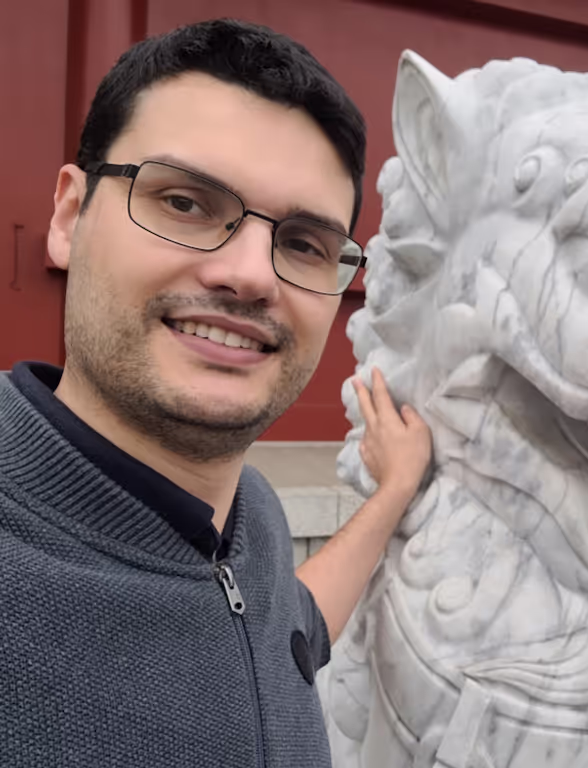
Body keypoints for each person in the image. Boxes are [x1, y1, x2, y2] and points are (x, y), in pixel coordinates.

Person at [0, 18, 432, 768]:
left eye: (302, 242)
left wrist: (393, 491)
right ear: (70, 216)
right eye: (185, 203)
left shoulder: (247, 518)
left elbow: (291, 631)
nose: (251, 275)